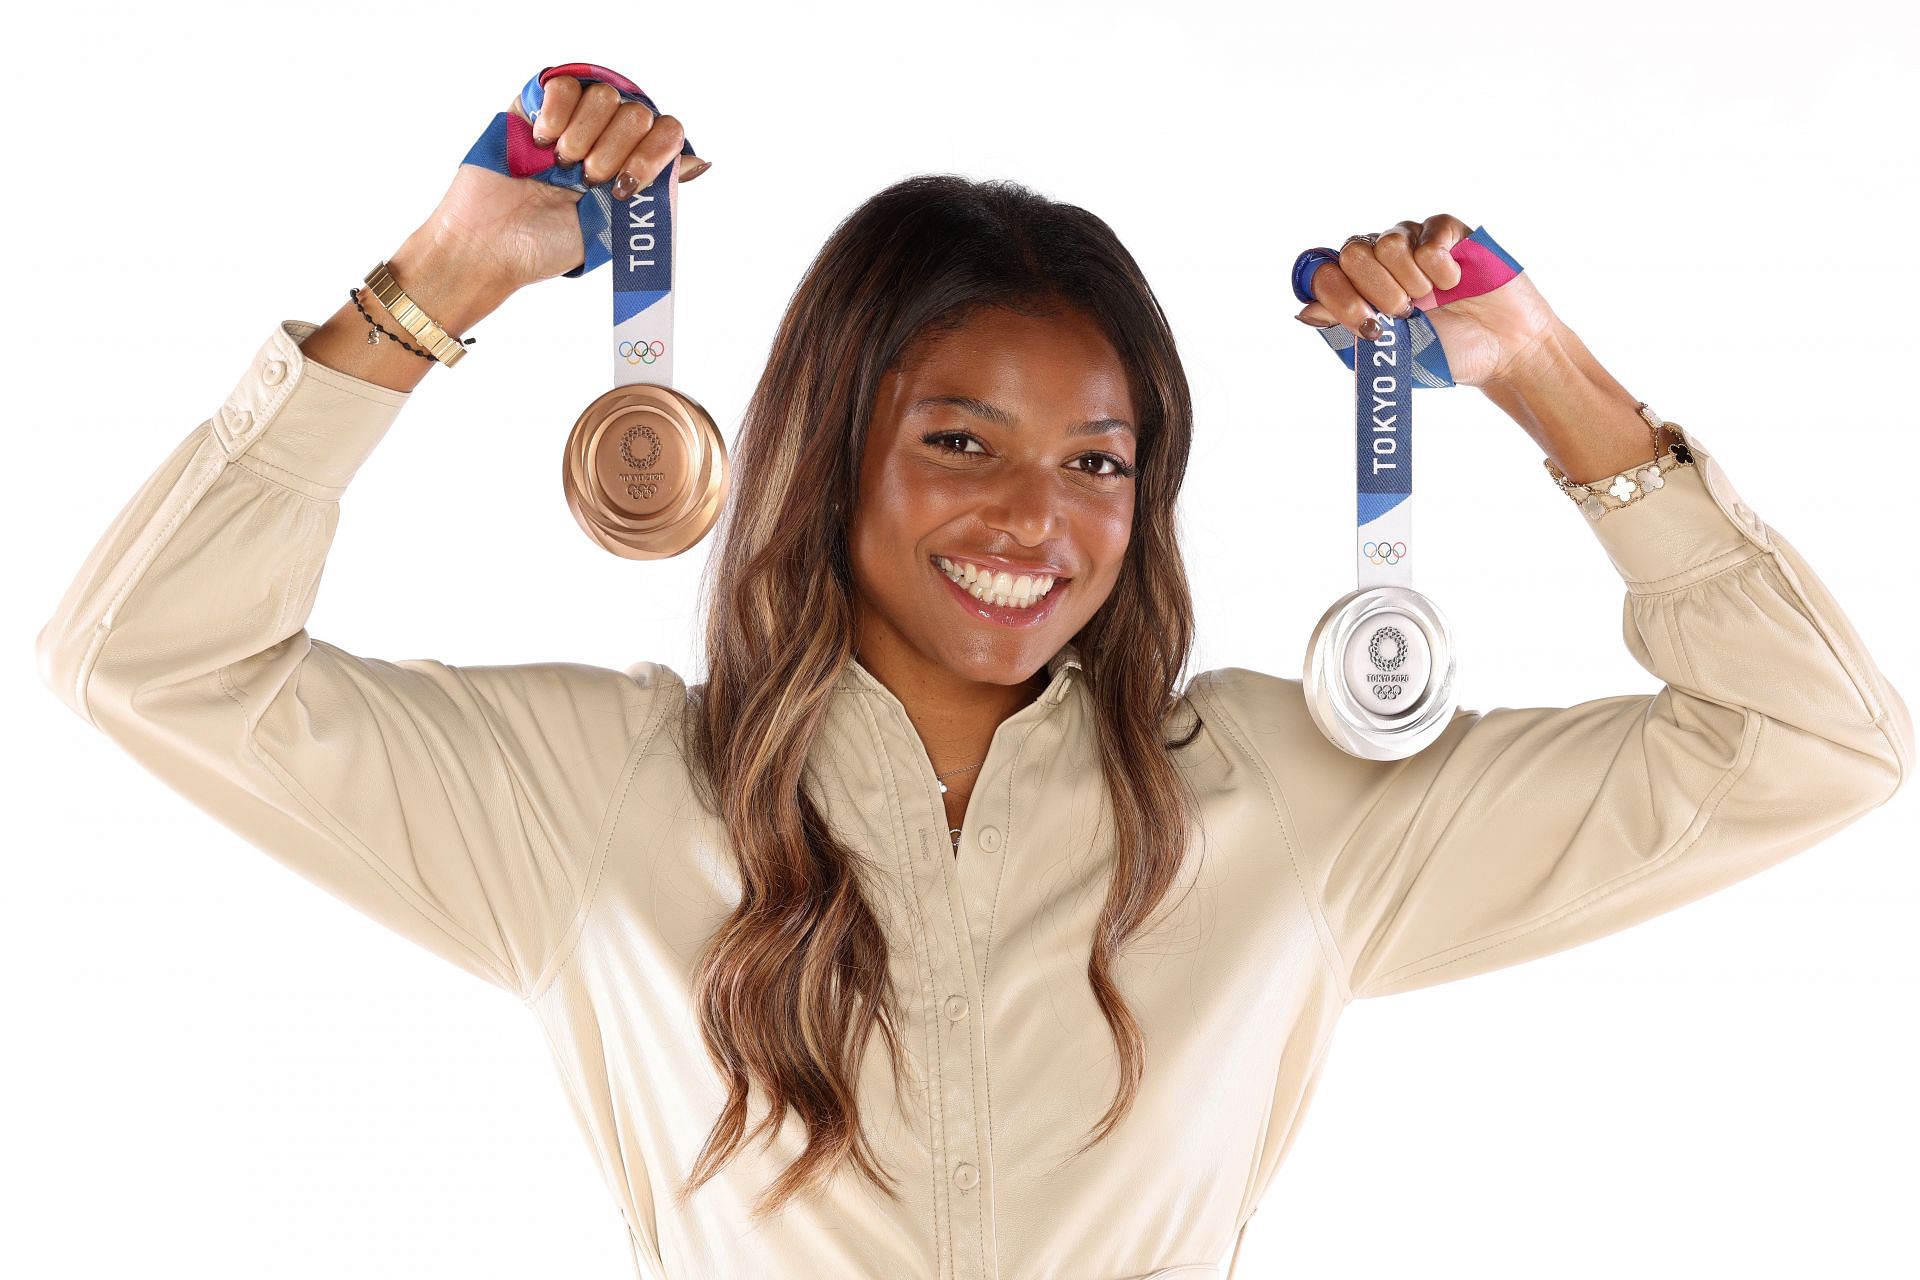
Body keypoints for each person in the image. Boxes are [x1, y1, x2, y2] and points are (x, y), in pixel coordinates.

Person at [34, 69, 1912, 1280]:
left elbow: (1815, 743)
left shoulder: (1292, 804)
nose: (1039, 515)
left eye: (1100, 458)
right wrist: (432, 285)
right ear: (825, 446)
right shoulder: (590, 798)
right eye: (959, 441)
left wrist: (1546, 379)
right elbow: (149, 658)